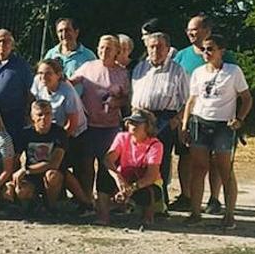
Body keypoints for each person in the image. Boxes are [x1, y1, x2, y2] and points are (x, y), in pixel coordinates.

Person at [182, 34, 252, 229]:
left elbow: (246, 98)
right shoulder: (197, 72)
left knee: (225, 169)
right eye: (204, 49)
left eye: (211, 48)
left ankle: (229, 214)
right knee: (198, 168)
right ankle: (195, 212)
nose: (207, 53)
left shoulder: (233, 71)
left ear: (222, 50)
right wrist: (185, 125)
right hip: (200, 122)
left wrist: (239, 119)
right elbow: (191, 100)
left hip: (223, 125)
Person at [172, 13, 235, 214]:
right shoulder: (181, 55)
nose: (190, 32)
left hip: (220, 119)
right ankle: (186, 196)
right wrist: (182, 120)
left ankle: (214, 199)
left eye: (195, 28)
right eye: (188, 29)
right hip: (191, 116)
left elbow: (238, 89)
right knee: (187, 157)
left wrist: (239, 118)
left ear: (207, 30)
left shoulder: (228, 58)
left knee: (217, 161)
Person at [69, 34, 130, 207]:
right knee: (86, 165)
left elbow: (126, 99)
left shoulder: (122, 73)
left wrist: (116, 102)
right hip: (89, 125)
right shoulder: (88, 67)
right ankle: (87, 199)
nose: (104, 51)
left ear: (117, 51)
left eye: (109, 48)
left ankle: (105, 201)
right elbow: (72, 81)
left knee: (107, 166)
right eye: (101, 47)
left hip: (110, 127)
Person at [130, 31, 189, 198]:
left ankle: (160, 199)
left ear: (168, 48)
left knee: (159, 160)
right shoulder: (140, 68)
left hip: (164, 118)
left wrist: (176, 120)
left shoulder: (177, 71)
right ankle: (140, 198)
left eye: (159, 47)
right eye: (151, 47)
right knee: (139, 158)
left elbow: (187, 100)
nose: (155, 50)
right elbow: (134, 95)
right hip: (140, 116)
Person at [31, 58, 91, 210]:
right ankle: (61, 199)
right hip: (51, 131)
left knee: (71, 168)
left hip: (74, 133)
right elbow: (34, 106)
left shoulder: (67, 90)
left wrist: (58, 144)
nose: (44, 77)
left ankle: (85, 202)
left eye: (48, 73)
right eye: (40, 73)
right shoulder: (38, 83)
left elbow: (72, 122)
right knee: (58, 168)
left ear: (58, 74)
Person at [97, 108, 163, 226]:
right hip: (124, 177)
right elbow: (108, 159)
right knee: (104, 175)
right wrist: (119, 179)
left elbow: (151, 176)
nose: (133, 125)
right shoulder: (122, 137)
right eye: (131, 122)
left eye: (138, 123)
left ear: (147, 126)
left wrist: (131, 189)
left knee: (149, 191)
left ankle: (147, 217)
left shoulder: (155, 145)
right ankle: (103, 216)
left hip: (144, 182)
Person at [10, 100, 66, 212]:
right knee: (21, 190)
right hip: (31, 177)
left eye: (48, 114)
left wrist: (26, 170)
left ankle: (51, 207)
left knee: (52, 175)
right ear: (32, 117)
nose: (44, 118)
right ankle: (35, 204)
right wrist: (15, 176)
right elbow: (16, 158)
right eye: (40, 115)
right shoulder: (25, 133)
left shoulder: (59, 133)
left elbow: (53, 163)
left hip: (50, 175)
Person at [0, 28, 33, 141]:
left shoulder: (21, 65)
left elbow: (30, 91)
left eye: (5, 41)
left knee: (11, 151)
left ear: (12, 44)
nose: (2, 44)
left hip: (14, 117)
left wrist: (28, 114)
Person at [44, 17, 96, 86]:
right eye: (60, 31)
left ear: (76, 32)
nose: (64, 34)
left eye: (67, 30)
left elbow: (96, 82)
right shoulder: (51, 54)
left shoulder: (88, 56)